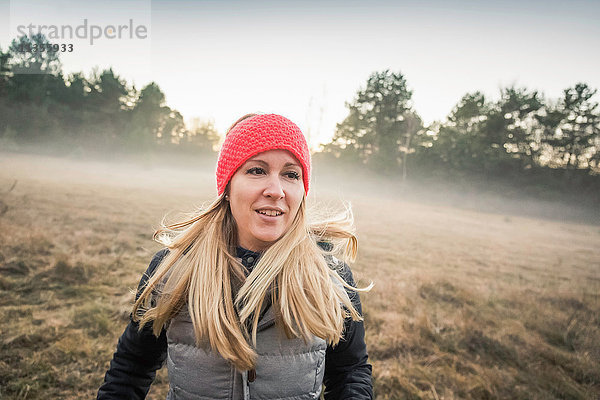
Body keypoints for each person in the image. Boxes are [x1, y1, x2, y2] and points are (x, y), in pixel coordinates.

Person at [97, 113, 373, 399]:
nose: (276, 191)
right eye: (257, 170)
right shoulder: (174, 270)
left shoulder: (330, 276)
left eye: (291, 174)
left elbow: (350, 373)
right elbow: (131, 368)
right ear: (227, 186)